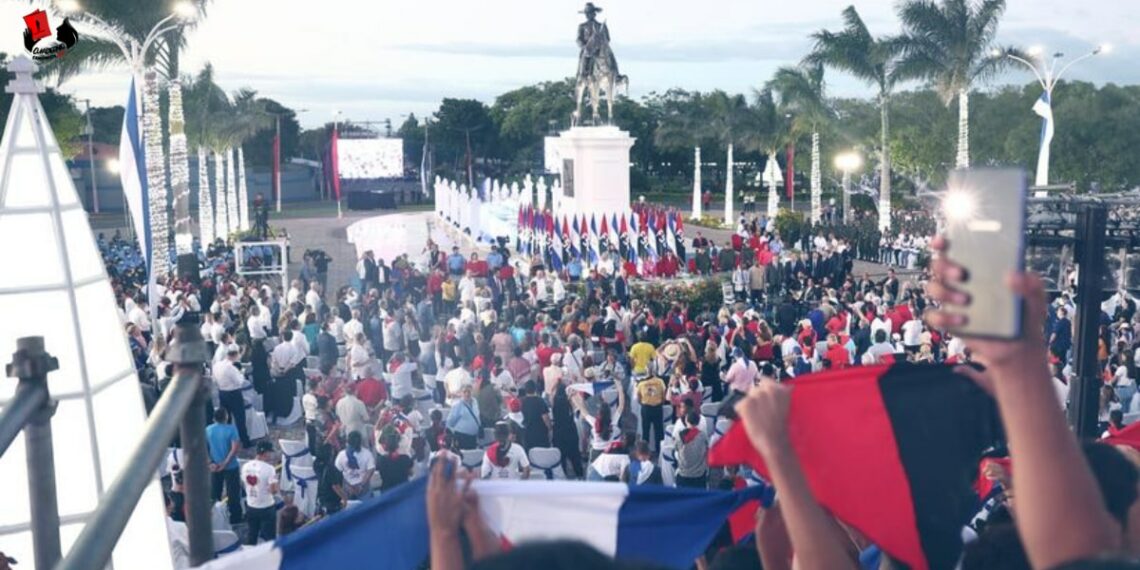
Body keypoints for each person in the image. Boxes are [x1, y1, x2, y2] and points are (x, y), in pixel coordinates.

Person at [206, 408, 244, 525]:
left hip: (214, 465)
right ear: (226, 417)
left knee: (214, 491)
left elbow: (204, 448)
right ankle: (235, 517)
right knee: (233, 492)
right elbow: (234, 449)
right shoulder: (231, 429)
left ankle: (214, 516)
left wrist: (210, 462)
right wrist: (225, 463)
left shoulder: (208, 429)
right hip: (231, 466)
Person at [212, 344, 252, 448]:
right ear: (235, 355)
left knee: (226, 419)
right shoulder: (231, 367)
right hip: (234, 394)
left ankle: (227, 441)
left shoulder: (216, 365)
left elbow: (214, 380)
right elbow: (239, 382)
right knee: (240, 419)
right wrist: (241, 373)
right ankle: (245, 441)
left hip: (222, 393)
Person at [241, 441, 279, 545]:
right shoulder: (269, 469)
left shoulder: (245, 466)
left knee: (252, 534)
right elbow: (274, 491)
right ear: (265, 453)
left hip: (251, 505)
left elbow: (244, 484)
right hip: (266, 506)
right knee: (269, 538)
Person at [334, 431, 376, 500]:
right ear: (360, 442)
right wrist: (361, 486)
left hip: (347, 489)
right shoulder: (367, 454)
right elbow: (370, 470)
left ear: (348, 442)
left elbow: (337, 472)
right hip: (364, 488)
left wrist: (349, 486)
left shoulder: (341, 455)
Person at [674, 410, 709, 489]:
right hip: (698, 476)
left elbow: (676, 449)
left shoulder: (678, 435)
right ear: (698, 422)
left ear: (686, 420)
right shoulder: (703, 436)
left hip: (683, 475)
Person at [634, 372, 667, 451]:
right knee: (659, 431)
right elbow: (664, 395)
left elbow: (638, 398)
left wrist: (644, 403)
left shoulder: (641, 384)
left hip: (646, 408)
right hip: (657, 408)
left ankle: (645, 452)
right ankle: (659, 451)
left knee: (645, 431)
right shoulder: (660, 382)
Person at [446, 384, 482, 450]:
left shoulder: (475, 402)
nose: (467, 394)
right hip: (461, 436)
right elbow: (450, 421)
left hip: (473, 437)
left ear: (472, 392)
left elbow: (477, 416)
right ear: (461, 393)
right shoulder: (458, 405)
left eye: (469, 391)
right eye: (464, 392)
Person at [521, 380, 552, 450]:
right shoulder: (540, 401)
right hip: (541, 434)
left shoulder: (522, 402)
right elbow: (545, 418)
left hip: (528, 435)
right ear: (535, 389)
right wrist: (550, 429)